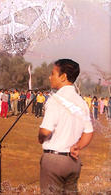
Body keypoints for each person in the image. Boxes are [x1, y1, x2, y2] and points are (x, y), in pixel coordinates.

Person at [38, 59, 93, 194]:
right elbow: (89, 132)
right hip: (73, 162)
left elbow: (45, 131)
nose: (50, 77)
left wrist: (40, 137)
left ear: (63, 77)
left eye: (53, 74)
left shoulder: (55, 100)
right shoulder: (81, 102)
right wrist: (78, 146)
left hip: (54, 161)